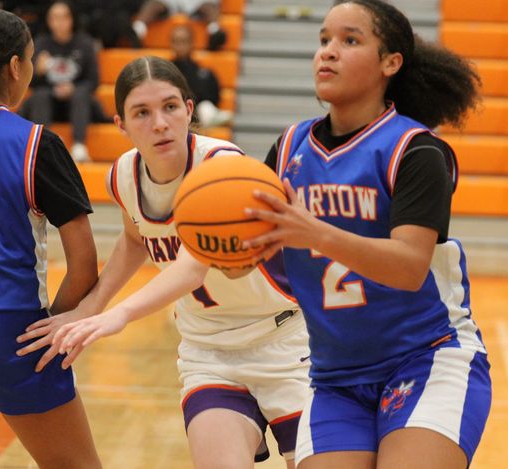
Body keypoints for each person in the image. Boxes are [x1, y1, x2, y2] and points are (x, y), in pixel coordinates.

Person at [18, 56, 310, 467]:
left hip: (284, 340)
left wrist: (117, 315)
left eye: (170, 107)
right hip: (208, 351)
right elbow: (134, 240)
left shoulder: (222, 166)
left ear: (189, 110)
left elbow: (193, 266)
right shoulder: (123, 174)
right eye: (142, 113)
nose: (159, 123)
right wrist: (88, 308)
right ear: (121, 124)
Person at [239, 0, 492, 468]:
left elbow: (408, 268)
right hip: (334, 377)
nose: (328, 52)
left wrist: (315, 233)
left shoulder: (415, 151)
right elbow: (257, 256)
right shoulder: (290, 148)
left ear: (390, 63)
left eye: (349, 41)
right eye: (324, 40)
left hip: (427, 358)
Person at [0, 7, 101, 468]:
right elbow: (84, 264)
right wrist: (52, 330)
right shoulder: (36, 143)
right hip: (9, 326)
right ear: (14, 66)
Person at [19, 0, 99, 162]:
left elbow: (93, 81)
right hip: (49, 102)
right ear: (49, 21)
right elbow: (30, 84)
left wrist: (72, 88)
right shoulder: (40, 43)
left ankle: (79, 146)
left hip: (78, 103)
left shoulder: (85, 43)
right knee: (40, 95)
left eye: (64, 17)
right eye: (55, 17)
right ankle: (45, 147)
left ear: (72, 19)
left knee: (81, 93)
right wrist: (37, 71)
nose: (60, 22)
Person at [169, 23, 232, 127]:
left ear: (192, 43)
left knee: (205, 108)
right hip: (172, 114)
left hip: (198, 115)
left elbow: (215, 98)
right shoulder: (164, 74)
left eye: (184, 41)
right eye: (176, 41)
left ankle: (211, 118)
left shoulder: (205, 74)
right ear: (171, 44)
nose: (180, 46)